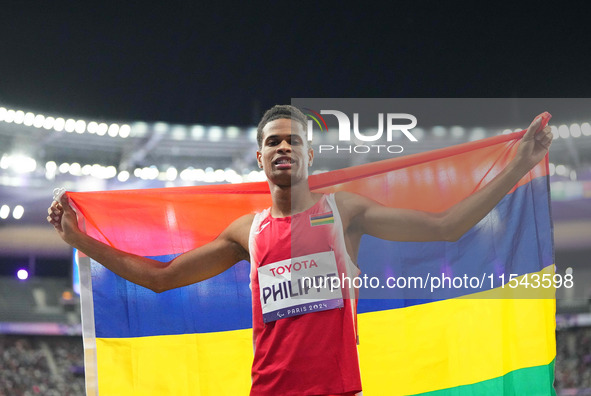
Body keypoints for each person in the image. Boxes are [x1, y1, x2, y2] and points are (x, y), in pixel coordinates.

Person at [47, 105, 553, 396]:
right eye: (273, 142)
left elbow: (446, 226)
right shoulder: (248, 230)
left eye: (293, 141)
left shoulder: (344, 213)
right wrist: (80, 240)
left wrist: (519, 165)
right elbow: (161, 278)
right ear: (262, 157)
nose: (283, 148)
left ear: (310, 154)